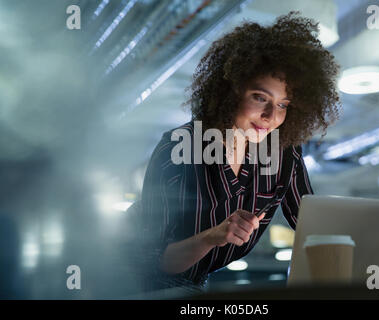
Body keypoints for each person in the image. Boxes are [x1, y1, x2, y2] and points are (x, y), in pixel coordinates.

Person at [136, 11, 341, 294]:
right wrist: (214, 236)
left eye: (282, 104)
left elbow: (314, 225)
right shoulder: (178, 148)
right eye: (260, 98)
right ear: (231, 90)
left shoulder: (284, 153)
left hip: (195, 286)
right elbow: (156, 261)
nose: (270, 116)